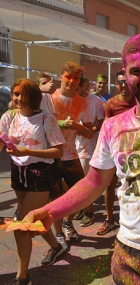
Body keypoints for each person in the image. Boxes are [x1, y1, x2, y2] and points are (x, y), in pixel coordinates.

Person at [23, 1, 140, 283]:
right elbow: (94, 182)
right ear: (124, 73)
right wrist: (50, 211)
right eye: (137, 71)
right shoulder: (112, 127)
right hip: (128, 257)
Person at [1, 79, 66, 285]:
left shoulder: (47, 119)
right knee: (32, 220)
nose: (18, 98)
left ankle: (22, 277)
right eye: (15, 94)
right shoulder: (8, 117)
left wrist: (27, 151)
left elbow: (59, 151)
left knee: (21, 225)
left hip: (40, 172)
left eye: (22, 94)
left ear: (33, 96)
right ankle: (57, 247)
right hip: (17, 172)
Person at [40, 61, 93, 247]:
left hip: (71, 155)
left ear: (79, 81)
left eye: (76, 78)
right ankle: (59, 233)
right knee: (54, 197)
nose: (72, 81)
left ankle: (67, 221)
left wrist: (77, 126)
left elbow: (88, 132)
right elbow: (23, 101)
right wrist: (41, 87)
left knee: (81, 195)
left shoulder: (84, 103)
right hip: (51, 157)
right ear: (61, 76)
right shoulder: (48, 98)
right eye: (68, 77)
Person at [95, 69, 136, 235]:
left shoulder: (138, 101)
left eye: (126, 81)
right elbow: (106, 127)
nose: (124, 85)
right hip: (115, 151)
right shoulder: (111, 103)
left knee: (133, 186)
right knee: (109, 185)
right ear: (117, 84)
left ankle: (132, 221)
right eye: (120, 82)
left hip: (135, 151)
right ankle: (110, 219)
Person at [74, 75, 105, 227]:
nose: (73, 89)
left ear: (84, 86)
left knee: (87, 181)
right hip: (72, 148)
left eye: (77, 86)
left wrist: (88, 131)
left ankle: (89, 211)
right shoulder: (71, 100)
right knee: (77, 181)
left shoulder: (95, 101)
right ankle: (81, 207)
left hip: (89, 147)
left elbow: (101, 121)